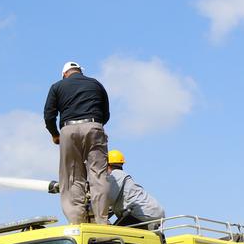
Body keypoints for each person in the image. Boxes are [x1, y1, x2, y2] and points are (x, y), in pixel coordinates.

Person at [44, 61, 111, 223]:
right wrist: (95, 127)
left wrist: (55, 135)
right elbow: (106, 113)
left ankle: (77, 222)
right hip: (95, 126)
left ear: (65, 74)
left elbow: (48, 115)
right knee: (98, 175)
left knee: (72, 177)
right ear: (80, 71)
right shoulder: (96, 84)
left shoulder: (57, 86)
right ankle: (101, 221)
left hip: (69, 129)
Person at [106, 150, 165, 229]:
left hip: (142, 214)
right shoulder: (123, 178)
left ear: (107, 165)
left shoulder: (115, 175)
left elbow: (106, 201)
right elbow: (112, 207)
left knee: (112, 233)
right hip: (154, 213)